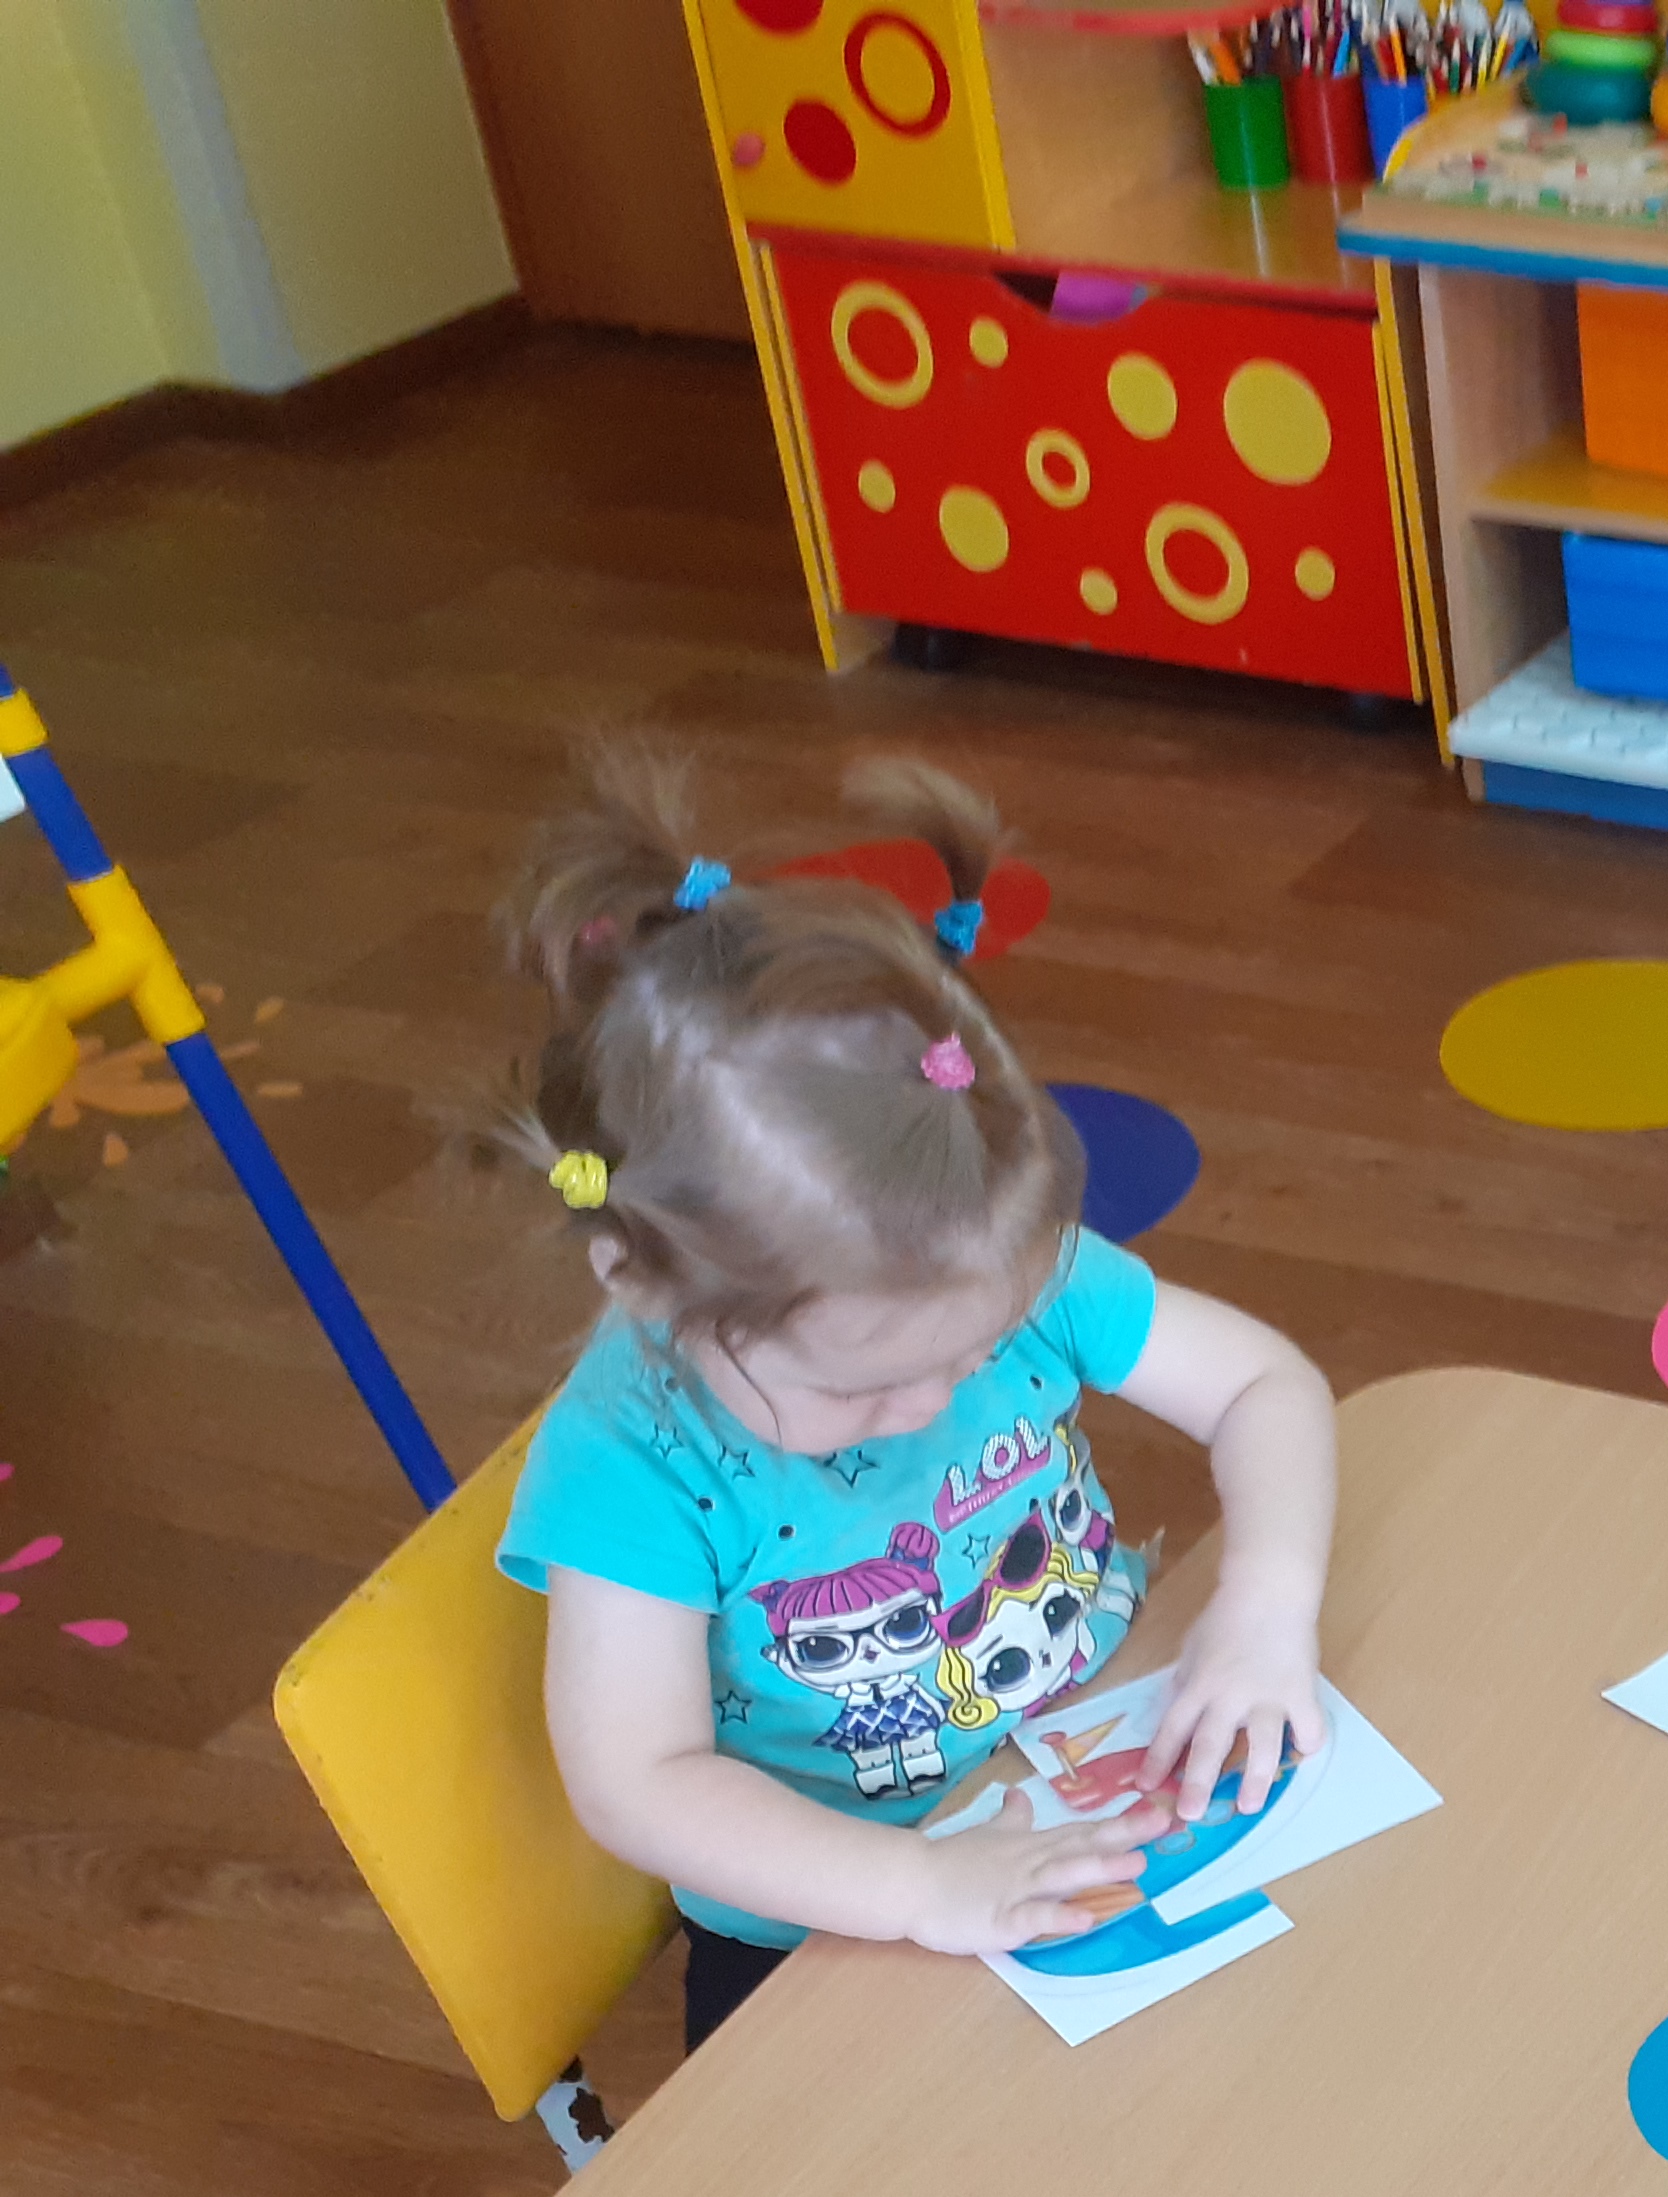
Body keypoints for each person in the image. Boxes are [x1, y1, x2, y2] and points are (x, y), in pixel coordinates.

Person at [493, 754, 1340, 2054]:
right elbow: (639, 1784)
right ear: (642, 1282)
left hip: (1096, 1755)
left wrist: (1268, 1606)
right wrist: (917, 1888)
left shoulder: (968, 1258)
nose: (941, 1398)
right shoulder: (630, 1465)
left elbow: (1265, 1383)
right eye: (868, 1383)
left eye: (982, 1345)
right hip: (832, 1930)